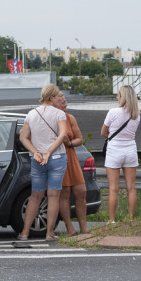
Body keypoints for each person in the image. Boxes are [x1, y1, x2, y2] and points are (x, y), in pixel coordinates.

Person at [17, 84, 68, 242]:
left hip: (37, 159)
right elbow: (63, 135)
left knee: (35, 196)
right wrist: (50, 151)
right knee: (53, 197)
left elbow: (23, 137)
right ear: (52, 97)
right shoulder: (59, 114)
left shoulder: (31, 114)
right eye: (57, 96)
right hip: (57, 158)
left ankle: (25, 233)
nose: (59, 98)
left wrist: (36, 152)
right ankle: (49, 233)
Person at [101, 84, 141, 224]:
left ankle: (112, 220)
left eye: (118, 95)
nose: (117, 97)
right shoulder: (136, 115)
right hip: (130, 150)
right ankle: (130, 219)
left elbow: (103, 133)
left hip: (114, 151)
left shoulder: (112, 112)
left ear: (122, 97)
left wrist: (112, 137)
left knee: (113, 189)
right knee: (131, 187)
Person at [54, 92, 88, 234]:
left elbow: (79, 138)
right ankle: (69, 227)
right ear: (54, 103)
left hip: (71, 156)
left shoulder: (70, 118)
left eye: (66, 101)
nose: (65, 104)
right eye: (62, 102)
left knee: (81, 191)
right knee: (65, 193)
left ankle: (84, 227)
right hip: (58, 156)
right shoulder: (52, 118)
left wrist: (70, 143)